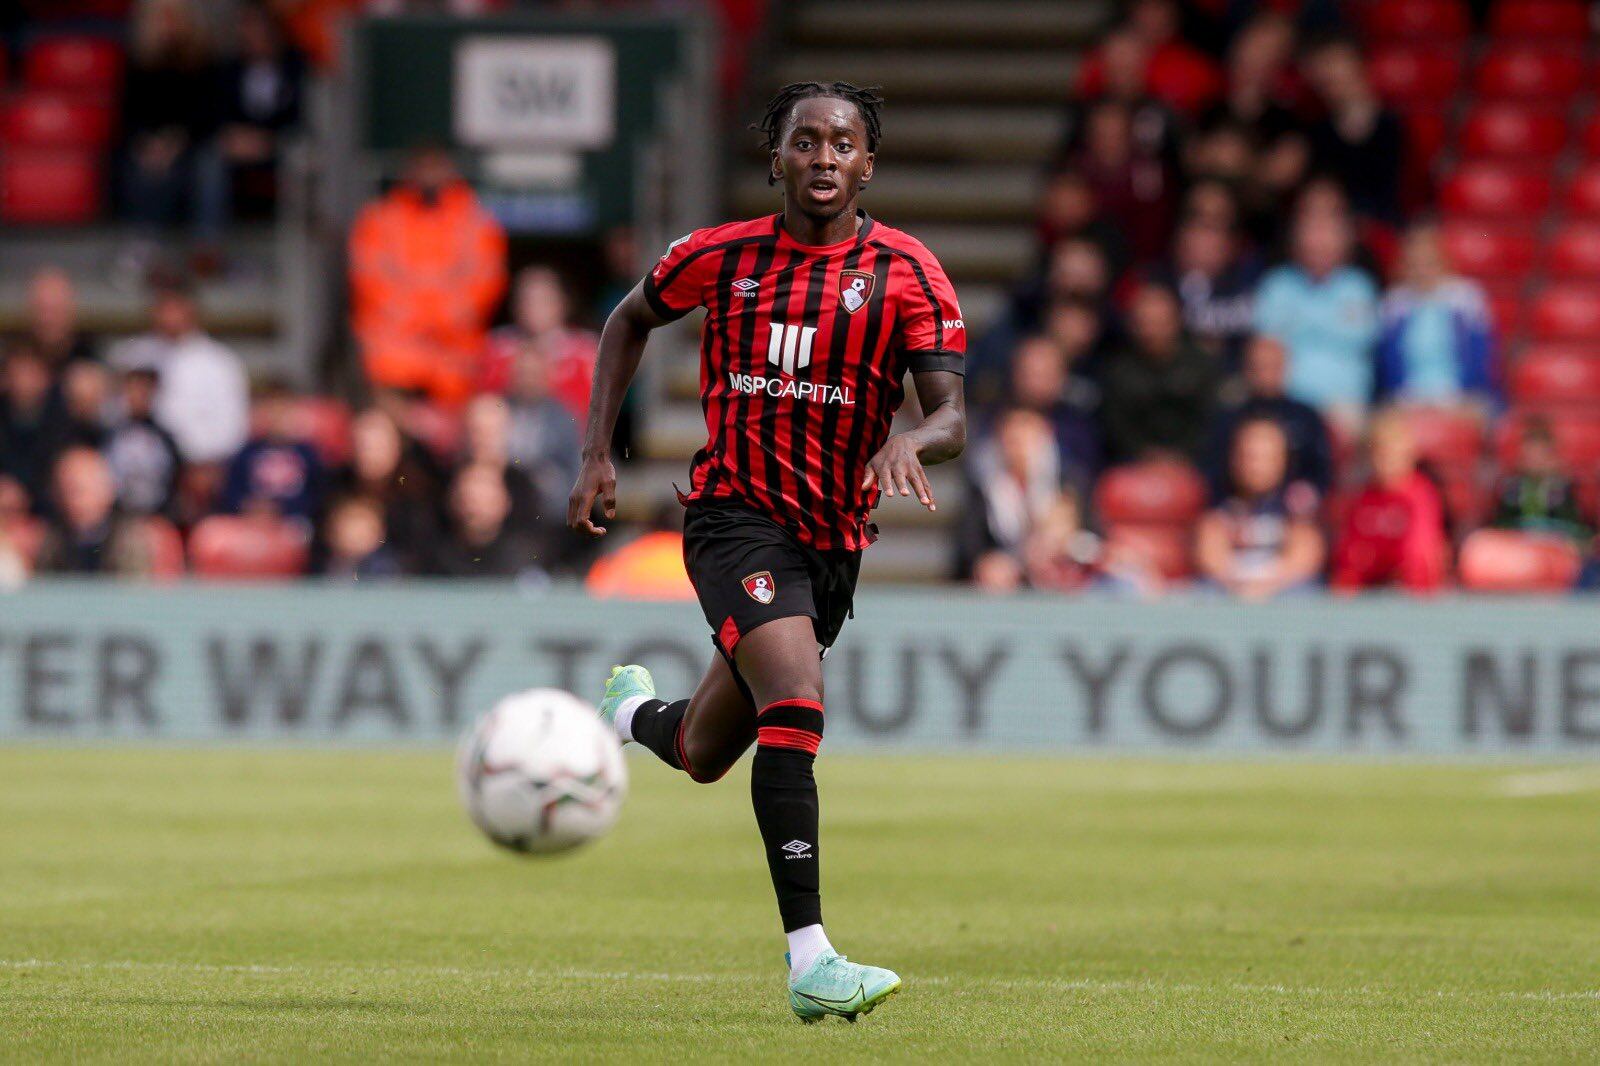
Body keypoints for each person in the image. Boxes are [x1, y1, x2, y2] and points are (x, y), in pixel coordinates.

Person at [567, 82, 967, 1020]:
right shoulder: (721, 256)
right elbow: (628, 318)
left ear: (868, 164)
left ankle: (630, 716)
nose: (824, 157)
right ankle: (811, 958)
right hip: (733, 517)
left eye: (843, 143)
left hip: (832, 542)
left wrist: (913, 437)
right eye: (806, 141)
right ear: (776, 157)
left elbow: (950, 410)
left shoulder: (907, 270)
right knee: (796, 701)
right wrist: (596, 450)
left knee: (705, 752)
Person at [348, 144, 507, 407]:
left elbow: (486, 282)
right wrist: (420, 320)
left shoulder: (476, 221)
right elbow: (369, 281)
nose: (429, 175)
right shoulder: (379, 219)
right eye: (422, 167)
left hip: (454, 349)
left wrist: (438, 318)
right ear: (408, 172)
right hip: (396, 346)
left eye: (436, 167)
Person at [1253, 206, 1379, 432]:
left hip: (1345, 404)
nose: (1318, 244)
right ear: (1295, 241)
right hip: (1287, 402)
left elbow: (1361, 339)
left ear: (1344, 242)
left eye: (1327, 235)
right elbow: (1266, 348)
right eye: (1311, 234)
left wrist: (1301, 323)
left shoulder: (1359, 286)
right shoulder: (1277, 285)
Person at [118, 0, 221, 276]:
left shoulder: (202, 62)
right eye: (163, 18)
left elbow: (208, 117)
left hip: (191, 146)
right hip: (151, 145)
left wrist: (176, 142)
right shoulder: (140, 64)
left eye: (175, 18)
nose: (170, 25)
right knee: (140, 166)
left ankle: (206, 247)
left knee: (210, 164)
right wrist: (148, 144)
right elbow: (130, 117)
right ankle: (145, 244)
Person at [199, 1, 305, 244]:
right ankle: (208, 244)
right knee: (208, 159)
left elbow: (305, 117)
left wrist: (270, 140)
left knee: (300, 159)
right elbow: (214, 114)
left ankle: (294, 242)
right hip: (237, 146)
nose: (252, 36)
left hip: (281, 145)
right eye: (245, 28)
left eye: (258, 28)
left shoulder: (296, 67)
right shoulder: (228, 70)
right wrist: (232, 137)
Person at [110, 282, 250, 466]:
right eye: (163, 307)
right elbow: (112, 414)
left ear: (192, 310)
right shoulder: (133, 356)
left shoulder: (220, 363)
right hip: (142, 464)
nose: (169, 316)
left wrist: (202, 462)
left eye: (176, 307)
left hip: (201, 466)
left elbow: (233, 429)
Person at [1195, 417, 1325, 599]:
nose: (1257, 467)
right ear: (1234, 459)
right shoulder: (1220, 510)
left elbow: (1305, 556)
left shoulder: (1295, 510)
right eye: (1250, 457)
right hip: (1231, 589)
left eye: (1268, 458)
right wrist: (1239, 584)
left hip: (1282, 590)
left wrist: (1268, 585)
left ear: (1284, 460)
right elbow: (1210, 554)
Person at [1376, 223, 1498, 410]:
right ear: (1404, 265)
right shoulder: (1394, 304)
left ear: (1443, 260)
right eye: (1414, 263)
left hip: (1460, 398)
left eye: (1429, 262)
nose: (1422, 270)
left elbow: (1480, 359)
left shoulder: (1467, 299)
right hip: (1407, 399)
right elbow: (1387, 365)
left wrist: (1464, 397)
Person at [1330, 411, 1449, 594]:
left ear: (1410, 455)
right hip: (1369, 590)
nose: (1387, 462)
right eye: (1381, 455)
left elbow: (1420, 551)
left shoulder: (1420, 495)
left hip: (1409, 591)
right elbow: (1351, 555)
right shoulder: (1363, 499)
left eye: (1394, 454)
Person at [1101, 281, 1220, 463]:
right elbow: (1116, 429)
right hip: (1133, 464)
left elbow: (1209, 424)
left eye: (1159, 323)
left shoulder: (1201, 365)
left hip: (1194, 463)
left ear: (1176, 322)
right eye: (1144, 323)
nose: (1152, 332)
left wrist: (1178, 458)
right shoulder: (1117, 370)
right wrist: (1148, 458)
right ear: (1132, 325)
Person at [1203, 334, 1333, 501]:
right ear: (1246, 368)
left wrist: (1304, 498)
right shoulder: (1229, 418)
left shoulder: (1307, 417)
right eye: (1259, 365)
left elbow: (1322, 474)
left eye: (1272, 365)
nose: (1265, 372)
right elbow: (1213, 472)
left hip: (1291, 509)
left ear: (1285, 366)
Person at [954, 407, 1066, 588]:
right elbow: (968, 548)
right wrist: (989, 563)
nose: (1021, 450)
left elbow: (1086, 536)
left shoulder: (1067, 484)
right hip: (1004, 582)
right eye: (1014, 442)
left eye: (1030, 441)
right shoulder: (984, 488)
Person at [1302, 34, 1405, 224]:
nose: (1329, 72)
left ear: (1360, 65)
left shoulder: (1397, 124)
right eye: (1322, 67)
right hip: (1334, 234)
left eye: (1335, 62)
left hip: (1387, 230)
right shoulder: (1317, 134)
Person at [483, 266, 600, 428]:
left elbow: (597, 410)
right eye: (526, 299)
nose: (533, 307)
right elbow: (485, 405)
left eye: (543, 299)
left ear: (562, 303)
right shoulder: (497, 347)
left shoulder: (586, 351)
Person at [1154, 216, 1261, 367]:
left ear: (1228, 249)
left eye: (1212, 245)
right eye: (1195, 244)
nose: (1202, 251)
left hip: (1236, 377)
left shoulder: (1246, 285)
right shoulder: (1162, 288)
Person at [34, 446, 155, 577]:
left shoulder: (131, 539)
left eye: (79, 490)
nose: (72, 500)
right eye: (64, 490)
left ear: (107, 489)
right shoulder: (51, 541)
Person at [220, 380, 324, 525]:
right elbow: (232, 495)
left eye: (283, 409)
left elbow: (317, 497)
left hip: (295, 525)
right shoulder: (247, 453)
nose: (277, 416)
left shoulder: (307, 453)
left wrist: (281, 509)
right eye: (271, 409)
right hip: (251, 525)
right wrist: (251, 507)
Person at [1488, 419, 1590, 543]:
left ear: (1553, 457)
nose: (1534, 462)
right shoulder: (1511, 487)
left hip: (1557, 545)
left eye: (1540, 456)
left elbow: (1576, 525)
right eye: (1529, 456)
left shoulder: (1567, 486)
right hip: (1519, 545)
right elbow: (1501, 524)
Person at [430, 463, 537, 579]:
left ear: (505, 502)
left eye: (485, 499)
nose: (474, 509)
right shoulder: (432, 558)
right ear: (452, 501)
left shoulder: (526, 559)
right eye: (468, 499)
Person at [104, 367, 183, 519]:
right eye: (132, 389)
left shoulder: (164, 437)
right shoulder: (112, 434)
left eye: (143, 390)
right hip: (118, 516)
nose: (137, 396)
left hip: (158, 515)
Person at [19, 268, 97, 368]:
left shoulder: (92, 361)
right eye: (42, 310)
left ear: (71, 310)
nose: (47, 320)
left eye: (55, 310)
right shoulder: (10, 366)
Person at [318, 494, 401, 580]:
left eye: (361, 536)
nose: (354, 541)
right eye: (349, 535)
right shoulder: (323, 563)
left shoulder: (384, 568)